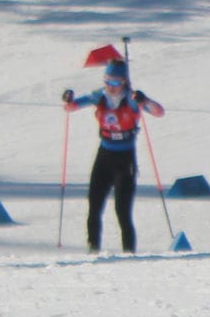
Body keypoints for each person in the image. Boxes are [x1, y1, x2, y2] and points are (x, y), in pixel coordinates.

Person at [62, 59, 165, 253]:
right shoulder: (98, 96)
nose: (111, 86)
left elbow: (159, 112)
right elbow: (71, 108)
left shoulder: (132, 100)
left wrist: (146, 101)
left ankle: (128, 253)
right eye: (107, 81)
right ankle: (93, 250)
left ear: (124, 82)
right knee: (94, 207)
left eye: (116, 82)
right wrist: (68, 99)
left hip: (125, 159)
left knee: (122, 211)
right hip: (104, 156)